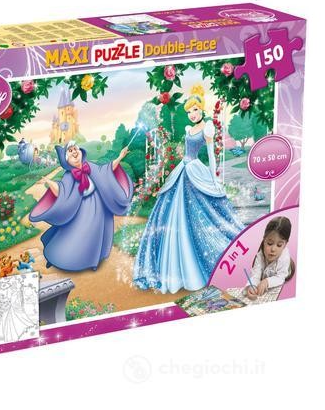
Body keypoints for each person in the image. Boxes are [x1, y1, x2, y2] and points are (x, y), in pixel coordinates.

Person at [133, 85, 244, 294]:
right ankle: (173, 269)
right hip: (182, 169)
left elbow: (210, 155)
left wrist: (214, 178)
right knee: (170, 209)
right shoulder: (187, 129)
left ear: (202, 109)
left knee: (199, 211)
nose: (192, 114)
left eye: (195, 110)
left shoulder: (207, 128)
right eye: (189, 111)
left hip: (195, 170)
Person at [29, 141, 133, 271]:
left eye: (75, 149)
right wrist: (50, 183)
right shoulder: (69, 176)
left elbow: (106, 171)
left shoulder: (90, 166)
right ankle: (56, 257)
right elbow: (62, 192)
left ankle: (92, 260)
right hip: (80, 210)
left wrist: (120, 157)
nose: (74, 152)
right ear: (67, 159)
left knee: (95, 234)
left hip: (98, 206)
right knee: (74, 236)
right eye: (70, 151)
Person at [246, 216, 295, 299]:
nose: (273, 249)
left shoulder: (284, 258)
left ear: (285, 244)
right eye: (269, 243)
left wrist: (267, 281)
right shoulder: (260, 254)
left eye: (279, 245)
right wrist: (252, 286)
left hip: (285, 273)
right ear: (264, 240)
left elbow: (280, 278)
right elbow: (256, 274)